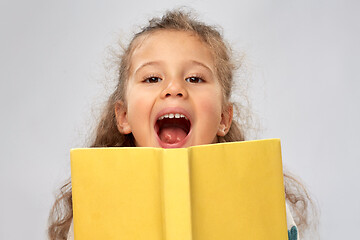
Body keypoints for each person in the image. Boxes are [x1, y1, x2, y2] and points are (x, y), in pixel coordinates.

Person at [48, 9, 315, 240]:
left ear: (223, 118)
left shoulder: (262, 200)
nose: (174, 88)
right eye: (152, 78)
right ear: (124, 116)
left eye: (195, 78)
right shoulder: (96, 205)